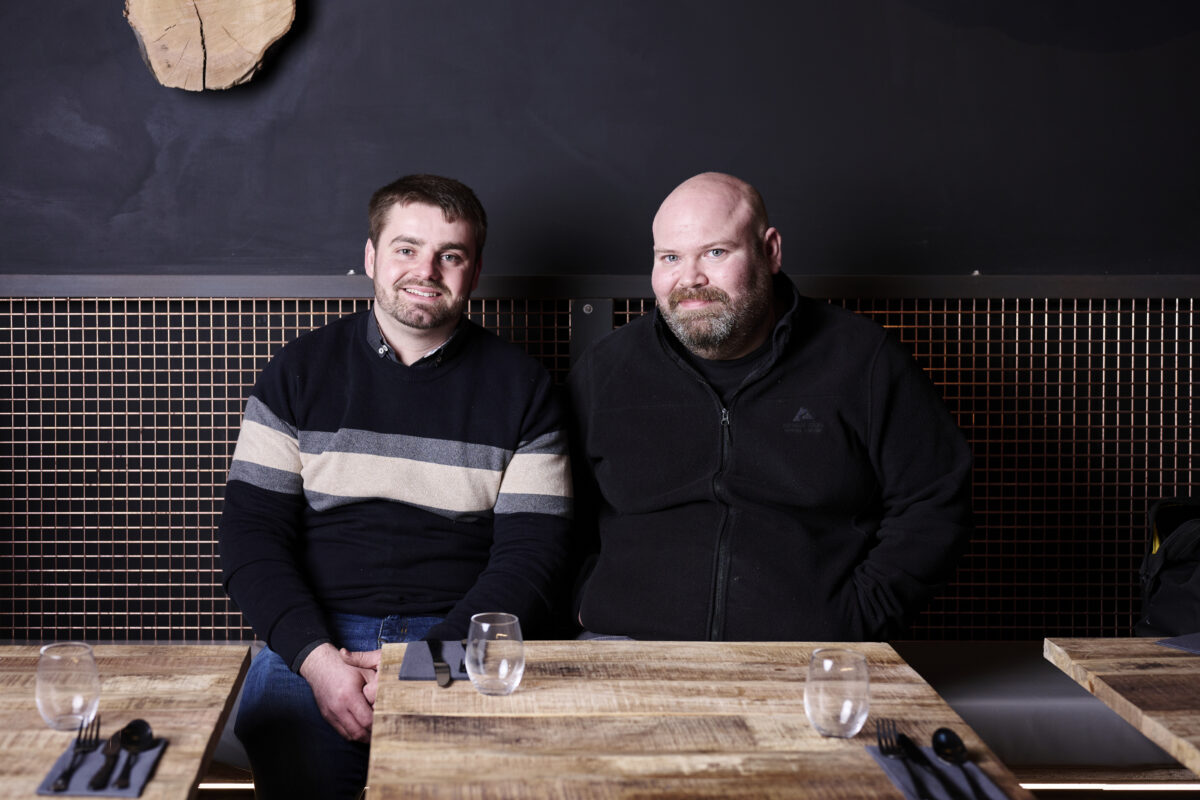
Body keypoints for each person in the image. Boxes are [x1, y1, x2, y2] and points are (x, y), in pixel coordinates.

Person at [218, 174, 572, 799]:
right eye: (407, 248)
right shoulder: (295, 374)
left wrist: (430, 661)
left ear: (474, 271)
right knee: (285, 742)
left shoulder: (526, 390)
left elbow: (533, 559)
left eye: (450, 255)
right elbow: (251, 543)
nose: (426, 269)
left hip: (461, 636)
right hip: (317, 638)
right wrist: (318, 661)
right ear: (371, 257)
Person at [568, 171, 972, 641]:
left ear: (770, 251)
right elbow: (554, 515)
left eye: (716, 252)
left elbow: (934, 501)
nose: (690, 278)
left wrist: (859, 616)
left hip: (813, 655)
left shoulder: (864, 361)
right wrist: (585, 601)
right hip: (625, 647)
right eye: (670, 257)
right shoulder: (606, 371)